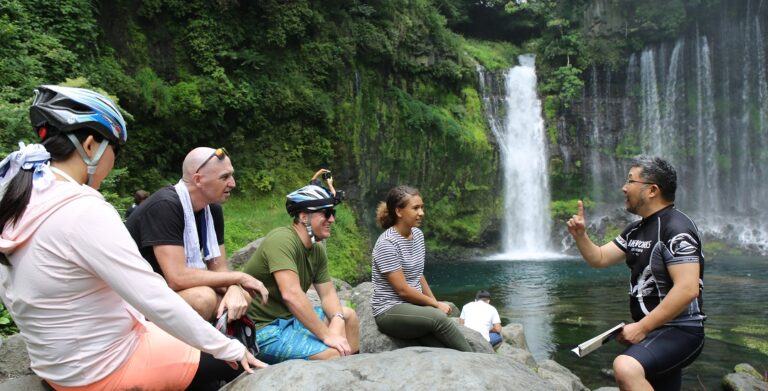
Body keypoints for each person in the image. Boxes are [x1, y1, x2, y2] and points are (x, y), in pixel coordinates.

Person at [0, 85, 265, 391]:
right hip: (103, 369)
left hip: (59, 365)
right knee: (231, 362)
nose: (115, 161)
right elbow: (153, 296)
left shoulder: (20, 195)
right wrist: (229, 348)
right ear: (90, 146)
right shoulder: (83, 210)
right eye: (116, 150)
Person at [566, 156, 705, 391]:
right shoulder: (635, 229)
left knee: (626, 367)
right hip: (654, 329)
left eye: (631, 181)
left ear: (652, 190)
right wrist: (581, 236)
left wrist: (641, 328)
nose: (624, 187)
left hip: (680, 330)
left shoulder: (677, 228)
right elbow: (600, 258)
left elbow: (688, 288)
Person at [126, 147, 268, 323]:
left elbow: (219, 268)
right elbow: (177, 277)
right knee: (203, 299)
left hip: (169, 291)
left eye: (231, 175)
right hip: (136, 296)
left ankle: (216, 337)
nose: (233, 183)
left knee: (242, 296)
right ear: (198, 180)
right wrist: (238, 277)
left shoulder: (212, 210)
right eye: (224, 177)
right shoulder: (165, 206)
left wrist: (233, 287)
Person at [242, 177, 359, 364]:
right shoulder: (282, 240)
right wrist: (327, 336)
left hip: (292, 320)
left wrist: (337, 320)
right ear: (304, 217)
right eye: (326, 213)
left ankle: (354, 371)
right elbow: (292, 295)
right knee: (333, 353)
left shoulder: (316, 249)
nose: (332, 219)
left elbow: (328, 294)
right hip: (263, 330)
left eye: (333, 212)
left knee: (349, 317)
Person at [371, 185, 471, 351]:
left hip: (414, 308)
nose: (422, 212)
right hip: (389, 310)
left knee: (443, 347)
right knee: (437, 318)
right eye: (416, 208)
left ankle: (465, 359)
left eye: (422, 207)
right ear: (399, 211)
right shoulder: (387, 244)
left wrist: (434, 302)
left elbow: (418, 275)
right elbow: (403, 290)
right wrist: (435, 306)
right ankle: (473, 358)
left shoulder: (417, 235)